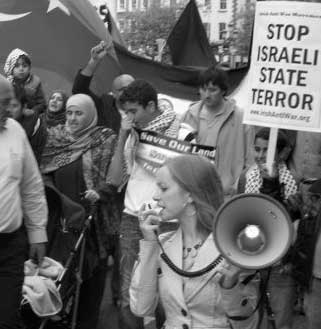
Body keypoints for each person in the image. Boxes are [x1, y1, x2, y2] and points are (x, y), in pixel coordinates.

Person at [130, 154, 260, 329]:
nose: (155, 196)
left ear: (190, 194)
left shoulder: (235, 248)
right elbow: (141, 308)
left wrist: (230, 287)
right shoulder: (162, 244)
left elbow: (249, 325)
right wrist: (149, 244)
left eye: (163, 188)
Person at [109, 79, 185, 329]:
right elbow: (115, 179)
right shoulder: (132, 135)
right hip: (133, 218)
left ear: (151, 106)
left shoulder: (183, 133)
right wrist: (123, 134)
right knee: (129, 294)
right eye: (126, 112)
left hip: (169, 222)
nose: (130, 117)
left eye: (134, 111)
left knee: (168, 296)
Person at [41, 93, 120, 329]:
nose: (73, 118)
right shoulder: (55, 137)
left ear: (90, 114)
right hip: (60, 222)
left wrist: (101, 192)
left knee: (91, 275)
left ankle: (85, 322)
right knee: (58, 274)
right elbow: (43, 170)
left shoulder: (105, 139)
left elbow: (116, 176)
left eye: (79, 113)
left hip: (93, 221)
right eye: (70, 112)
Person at [238, 128, 298, 329]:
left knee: (279, 314)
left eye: (267, 150)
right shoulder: (246, 176)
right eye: (257, 149)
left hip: (281, 261)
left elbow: (290, 217)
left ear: (281, 154)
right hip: (251, 254)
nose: (261, 155)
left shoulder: (292, 180)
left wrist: (272, 183)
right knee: (252, 310)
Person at [0, 74, 48, 328]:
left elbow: (31, 185)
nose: (8, 110)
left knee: (7, 320)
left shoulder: (15, 130)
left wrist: (37, 232)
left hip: (10, 246)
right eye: (2, 103)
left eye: (9, 102)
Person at [180, 65, 254, 198]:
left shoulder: (241, 118)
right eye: (203, 89)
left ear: (223, 91)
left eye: (212, 90)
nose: (207, 95)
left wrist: (237, 188)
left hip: (228, 196)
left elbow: (251, 161)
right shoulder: (188, 116)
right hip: (195, 195)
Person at [72, 40, 134, 131]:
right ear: (114, 93)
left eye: (133, 88)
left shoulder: (144, 109)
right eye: (123, 89)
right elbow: (79, 89)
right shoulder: (103, 106)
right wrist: (94, 61)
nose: (130, 92)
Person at [4, 48, 46, 117]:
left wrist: (33, 111)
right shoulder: (7, 83)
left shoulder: (35, 82)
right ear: (11, 69)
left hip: (30, 117)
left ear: (29, 68)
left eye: (24, 66)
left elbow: (42, 104)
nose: (21, 69)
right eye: (17, 66)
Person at [7, 93, 47, 164]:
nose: (9, 110)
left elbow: (34, 158)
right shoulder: (4, 118)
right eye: (7, 104)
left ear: (24, 107)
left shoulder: (34, 126)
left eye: (14, 106)